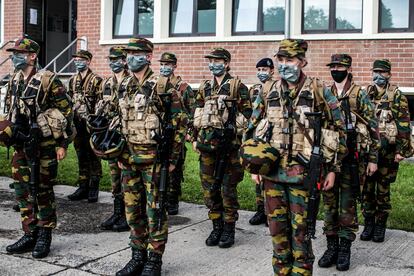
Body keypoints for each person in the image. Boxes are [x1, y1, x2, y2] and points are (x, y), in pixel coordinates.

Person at [244, 39, 346, 275]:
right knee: (277, 232)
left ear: (302, 62)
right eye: (280, 60)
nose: (284, 65)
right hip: (271, 174)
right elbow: (252, 128)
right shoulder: (268, 90)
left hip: (303, 176)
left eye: (289, 60)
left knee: (301, 233)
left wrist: (332, 168)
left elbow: (338, 130)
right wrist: (253, 167)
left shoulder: (320, 90)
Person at [115, 37, 187, 276]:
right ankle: (137, 256)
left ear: (147, 56)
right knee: (132, 210)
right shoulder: (124, 84)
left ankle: (154, 260)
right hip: (128, 158)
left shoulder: (163, 86)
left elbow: (179, 124)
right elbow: (119, 120)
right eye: (127, 54)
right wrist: (117, 151)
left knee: (155, 211)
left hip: (155, 161)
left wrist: (173, 160)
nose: (129, 59)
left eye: (135, 54)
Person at [0, 37, 73, 258]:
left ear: (33, 56)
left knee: (42, 191)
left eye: (19, 53)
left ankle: (44, 236)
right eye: (13, 52)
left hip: (45, 146)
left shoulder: (49, 80)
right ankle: (29, 232)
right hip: (21, 145)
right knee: (23, 192)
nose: (14, 56)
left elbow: (67, 112)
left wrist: (63, 144)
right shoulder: (13, 79)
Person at [318, 54, 380, 271]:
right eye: (333, 66)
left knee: (347, 205)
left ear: (348, 68)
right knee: (329, 205)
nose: (336, 69)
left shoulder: (359, 93)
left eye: (340, 66)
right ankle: (331, 246)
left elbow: (373, 126)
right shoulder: (325, 93)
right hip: (330, 158)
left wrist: (373, 158)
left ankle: (344, 248)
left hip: (353, 159)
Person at [192, 48, 252, 248]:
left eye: (217, 60)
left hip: (229, 149)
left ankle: (229, 229)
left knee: (227, 189)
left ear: (226, 63)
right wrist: (193, 138)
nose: (213, 64)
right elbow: (196, 113)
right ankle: (216, 225)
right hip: (207, 147)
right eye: (211, 60)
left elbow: (249, 117)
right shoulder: (205, 87)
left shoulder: (237, 87)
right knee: (210, 190)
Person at [361, 59, 411, 243]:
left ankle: (380, 224)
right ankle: (368, 223)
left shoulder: (396, 96)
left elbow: (404, 125)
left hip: (388, 152)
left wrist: (401, 151)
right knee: (366, 188)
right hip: (369, 151)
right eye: (375, 72)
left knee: (382, 189)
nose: (378, 76)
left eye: (382, 72)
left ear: (389, 74)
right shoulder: (366, 93)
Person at [158, 52, 195, 215]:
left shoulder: (184, 88)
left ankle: (173, 200)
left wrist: (189, 131)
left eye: (168, 65)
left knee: (175, 167)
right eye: (162, 64)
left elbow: (192, 111)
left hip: (178, 131)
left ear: (174, 66)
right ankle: (161, 196)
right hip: (161, 131)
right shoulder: (157, 85)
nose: (165, 68)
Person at [97, 46, 130, 232]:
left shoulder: (131, 82)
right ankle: (117, 212)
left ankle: (128, 214)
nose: (113, 62)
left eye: (117, 59)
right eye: (110, 59)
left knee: (127, 175)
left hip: (127, 135)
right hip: (111, 136)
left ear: (124, 60)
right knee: (114, 177)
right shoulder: (107, 83)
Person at [67, 50, 103, 203]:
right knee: (81, 154)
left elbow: (101, 103)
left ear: (88, 61)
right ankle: (83, 186)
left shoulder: (96, 80)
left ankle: (94, 187)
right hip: (78, 124)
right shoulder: (72, 80)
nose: (78, 62)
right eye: (76, 59)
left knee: (93, 155)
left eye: (81, 59)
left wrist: (97, 123)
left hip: (91, 124)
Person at [247, 57, 277, 226]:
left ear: (272, 71)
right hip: (258, 135)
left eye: (264, 70)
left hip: (271, 134)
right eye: (259, 70)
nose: (261, 73)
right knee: (257, 172)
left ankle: (270, 211)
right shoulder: (255, 89)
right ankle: (260, 210)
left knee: (269, 174)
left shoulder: (275, 87)